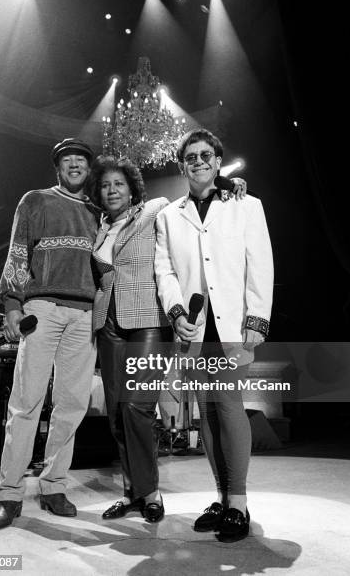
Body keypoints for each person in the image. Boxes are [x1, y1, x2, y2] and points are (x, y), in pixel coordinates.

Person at [90, 155, 247, 523]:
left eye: (119, 184)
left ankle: (152, 493)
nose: (111, 190)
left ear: (132, 189)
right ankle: (132, 492)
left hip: (149, 320)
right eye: (105, 186)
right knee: (116, 413)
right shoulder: (98, 228)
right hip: (109, 323)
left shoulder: (155, 210)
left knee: (137, 406)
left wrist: (229, 184)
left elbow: (196, 192)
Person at [155, 128, 273, 541]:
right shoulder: (169, 215)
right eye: (191, 156)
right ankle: (222, 497)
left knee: (227, 405)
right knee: (205, 411)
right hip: (193, 328)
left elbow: (261, 265)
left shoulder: (247, 207)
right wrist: (175, 314)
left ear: (218, 162)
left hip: (233, 326)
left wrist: (256, 321)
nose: (200, 161)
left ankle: (238, 501)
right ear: (183, 164)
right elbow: (164, 270)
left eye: (207, 155)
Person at [0, 138, 98, 530]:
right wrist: (12, 303)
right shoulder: (34, 200)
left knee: (71, 405)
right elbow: (18, 250)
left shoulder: (96, 210)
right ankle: (10, 494)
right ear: (58, 167)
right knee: (26, 402)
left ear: (88, 169)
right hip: (42, 309)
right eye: (67, 159)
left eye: (81, 160)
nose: (74, 164)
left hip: (84, 315)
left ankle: (53, 486)